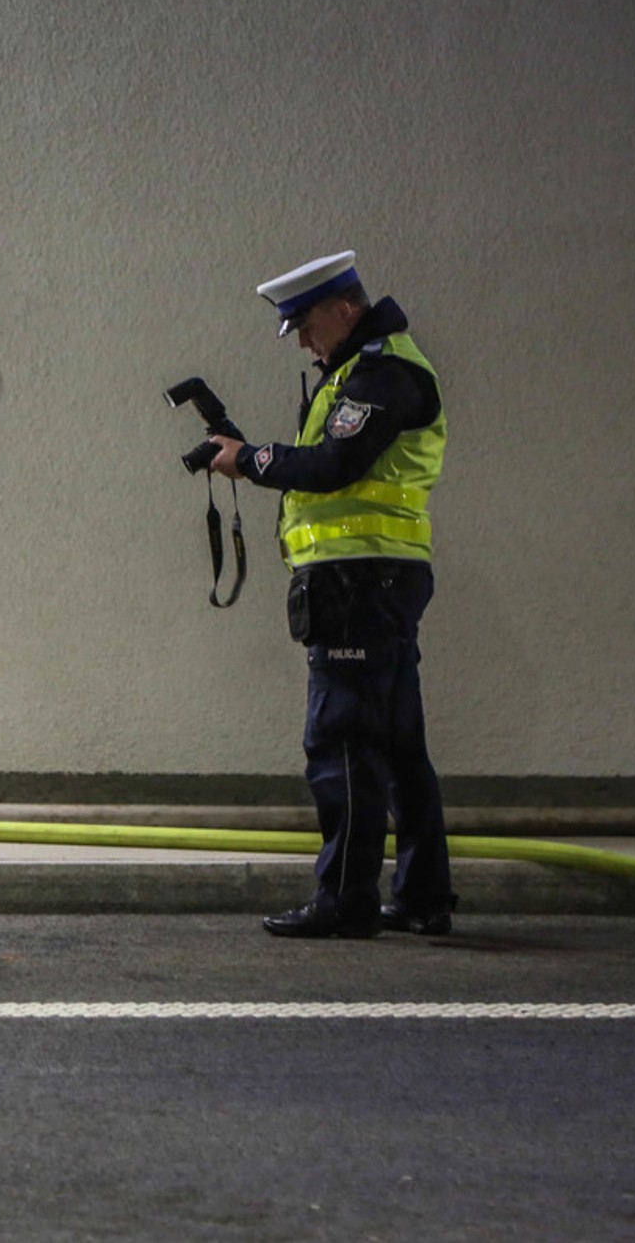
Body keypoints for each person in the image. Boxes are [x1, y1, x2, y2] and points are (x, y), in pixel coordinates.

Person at [206, 250, 456, 938]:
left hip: (358, 582)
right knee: (399, 741)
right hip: (375, 577)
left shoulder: (383, 372)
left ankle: (347, 900)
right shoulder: (361, 369)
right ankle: (423, 895)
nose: (305, 341)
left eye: (308, 325)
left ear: (345, 308)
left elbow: (335, 465)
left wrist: (253, 460)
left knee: (341, 737)